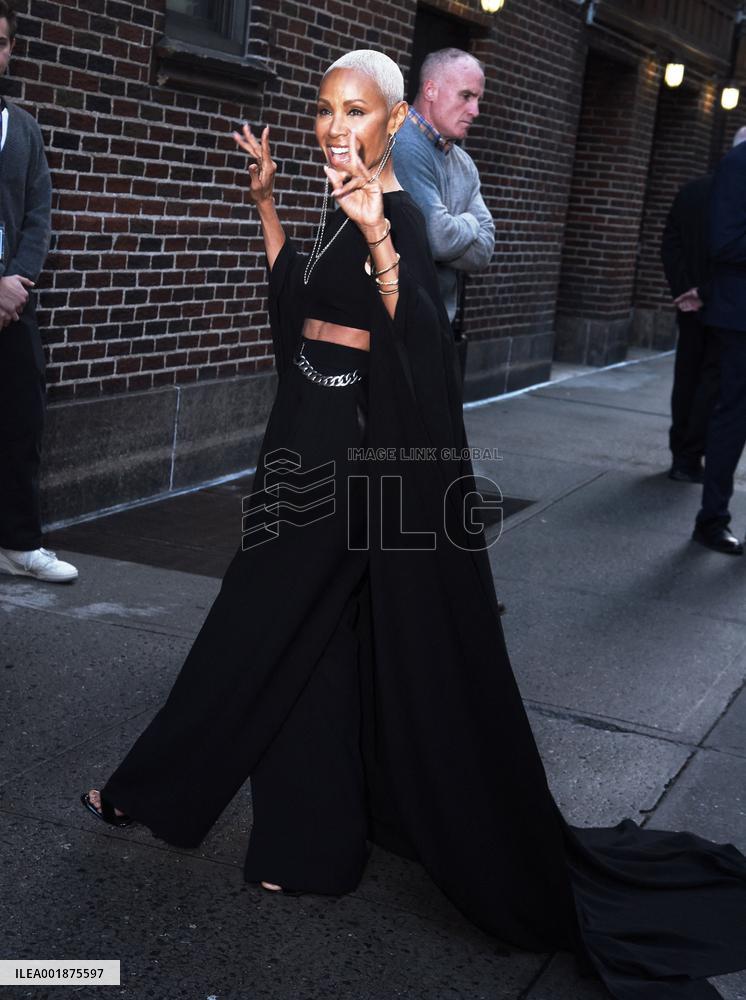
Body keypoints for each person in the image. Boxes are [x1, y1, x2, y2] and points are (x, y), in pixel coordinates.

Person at [81, 50, 746, 999]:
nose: (333, 124)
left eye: (356, 109)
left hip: (348, 464)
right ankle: (307, 849)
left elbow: (418, 338)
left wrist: (383, 243)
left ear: (395, 119)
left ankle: (143, 791)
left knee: (249, 624)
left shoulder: (395, 208)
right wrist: (269, 203)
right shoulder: (338, 200)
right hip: (302, 440)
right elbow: (299, 314)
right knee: (318, 647)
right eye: (323, 107)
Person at [0, 2, 77, 583]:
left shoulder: (22, 127)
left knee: (21, 422)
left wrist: (16, 281)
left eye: (1, 42)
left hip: (14, 303)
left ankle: (19, 544)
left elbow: (39, 212)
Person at [392, 48, 494, 374]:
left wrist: (452, 229)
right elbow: (437, 239)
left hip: (435, 328)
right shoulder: (403, 145)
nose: (475, 110)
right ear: (431, 90)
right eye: (466, 96)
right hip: (389, 329)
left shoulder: (464, 164)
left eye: (478, 99)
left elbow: (484, 251)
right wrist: (468, 221)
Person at [692, 125, 746, 555]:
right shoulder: (738, 163)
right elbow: (724, 242)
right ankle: (711, 520)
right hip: (741, 319)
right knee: (733, 419)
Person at [660, 171, 720, 483]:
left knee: (687, 377)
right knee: (711, 383)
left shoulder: (692, 190)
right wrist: (702, 293)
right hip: (724, 306)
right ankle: (689, 457)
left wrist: (684, 291)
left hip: (690, 305)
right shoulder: (732, 195)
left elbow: (670, 244)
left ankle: (681, 454)